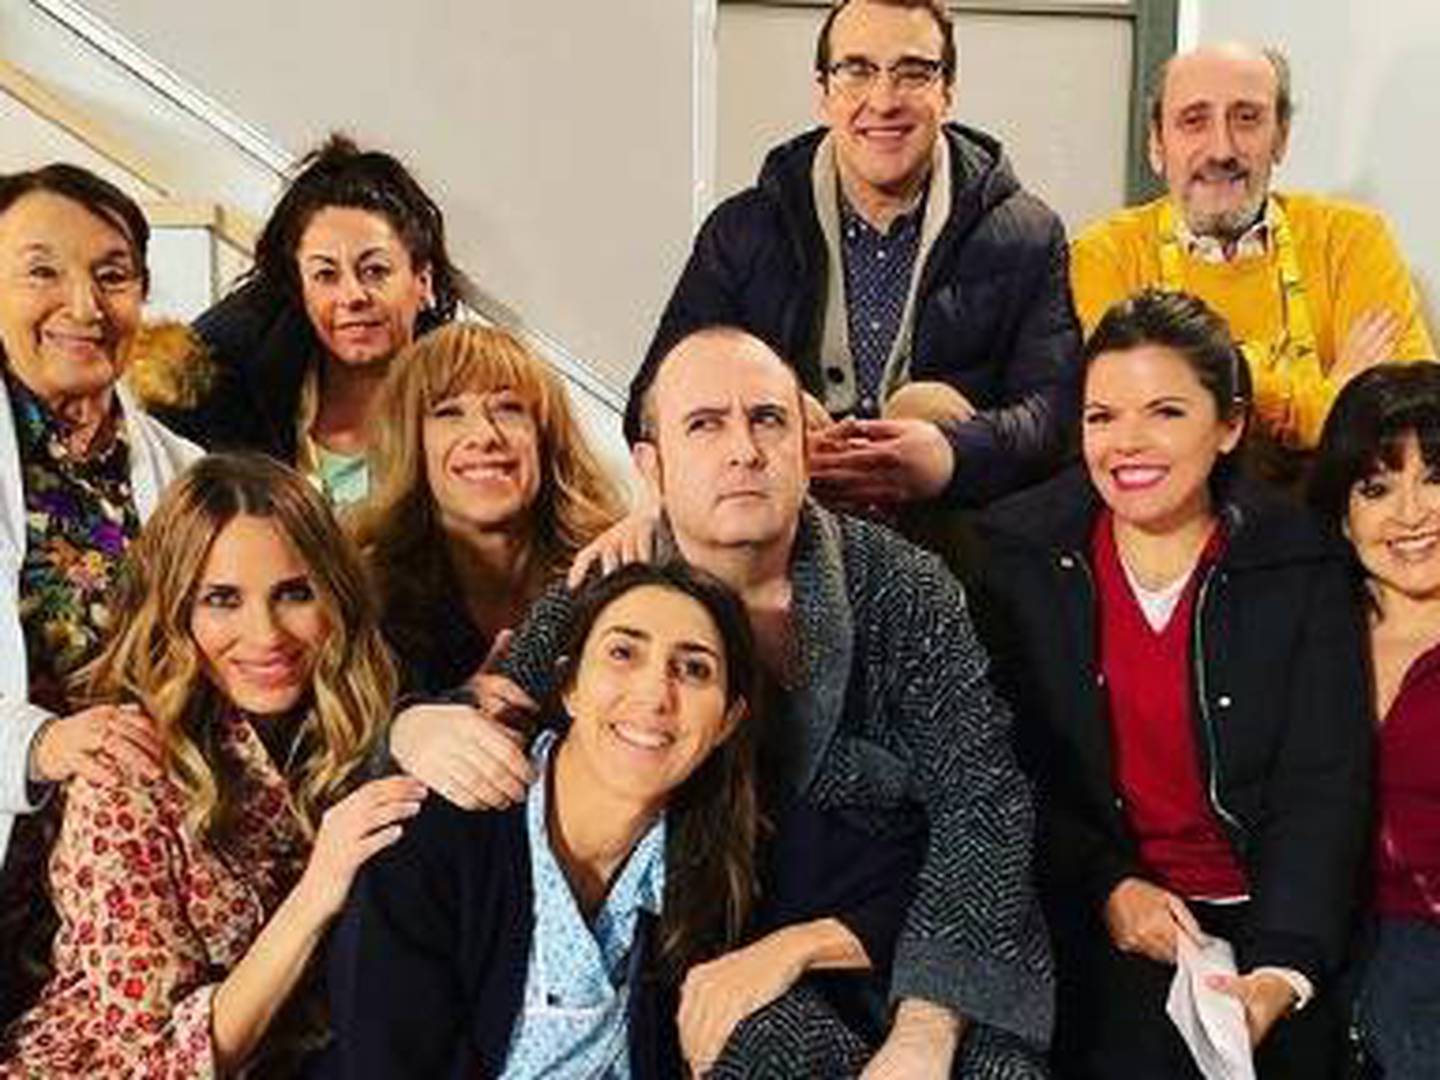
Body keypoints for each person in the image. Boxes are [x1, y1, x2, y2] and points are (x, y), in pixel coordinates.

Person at [391, 327, 1051, 1076]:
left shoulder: (903, 587)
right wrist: (413, 726)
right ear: (653, 466)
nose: (744, 450)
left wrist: (925, 1028)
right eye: (705, 424)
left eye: (767, 420)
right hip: (725, 963)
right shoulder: (606, 590)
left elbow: (984, 803)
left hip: (931, 937)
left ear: (805, 445)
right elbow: (486, 722)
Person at [973, 290, 1370, 1078]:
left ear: (1229, 425)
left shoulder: (1302, 560)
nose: (1127, 443)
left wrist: (1281, 969)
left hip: (1270, 915)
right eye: (1101, 417)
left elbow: (1324, 785)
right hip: (1101, 905)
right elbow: (1001, 769)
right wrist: (1105, 885)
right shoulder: (1018, 555)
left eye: (1165, 412)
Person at [0, 453, 425, 1076]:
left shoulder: (352, 732)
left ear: (335, 597)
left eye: (294, 593)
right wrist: (317, 890)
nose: (266, 635)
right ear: (176, 610)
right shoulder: (124, 776)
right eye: (222, 599)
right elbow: (157, 1065)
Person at [636, 0, 1080, 512]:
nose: (884, 100)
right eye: (856, 70)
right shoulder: (742, 230)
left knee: (927, 406)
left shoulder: (1028, 237)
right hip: (782, 521)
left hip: (954, 530)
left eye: (913, 73)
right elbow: (649, 404)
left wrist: (950, 454)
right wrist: (767, 417)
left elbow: (1056, 420)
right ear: (823, 92)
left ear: (948, 91)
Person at [326, 561, 759, 1078]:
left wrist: (799, 947)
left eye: (693, 669)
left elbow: (853, 883)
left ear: (728, 720)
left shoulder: (714, 860)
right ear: (569, 684)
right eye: (623, 653)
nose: (654, 695)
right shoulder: (432, 830)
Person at [0, 162, 202, 1017]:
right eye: (42, 271)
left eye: (112, 276)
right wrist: (39, 746)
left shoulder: (188, 476)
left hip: (138, 878)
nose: (84, 306)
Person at [1070, 44, 1433, 455]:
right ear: (1157, 143)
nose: (1221, 150)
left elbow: (1410, 417)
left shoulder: (1352, 238)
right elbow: (1140, 424)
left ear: (1280, 137)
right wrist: (1330, 400)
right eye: (1194, 121)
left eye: (1246, 119)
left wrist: (1207, 394)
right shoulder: (1106, 254)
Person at [143, 135, 460, 506]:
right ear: (300, 289)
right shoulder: (234, 405)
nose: (353, 296)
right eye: (326, 275)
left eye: (375, 271)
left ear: (423, 281)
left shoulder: (467, 406)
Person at [350, 323, 623, 694]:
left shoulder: (612, 573)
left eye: (508, 408)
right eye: (448, 412)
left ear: (545, 438)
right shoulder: (365, 598)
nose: (485, 436)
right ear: (411, 444)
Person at [1307, 362, 1440, 1080]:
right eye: (1377, 488)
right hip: (1315, 944)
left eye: (1436, 478)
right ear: (1341, 512)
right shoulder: (1305, 633)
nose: (1412, 513)